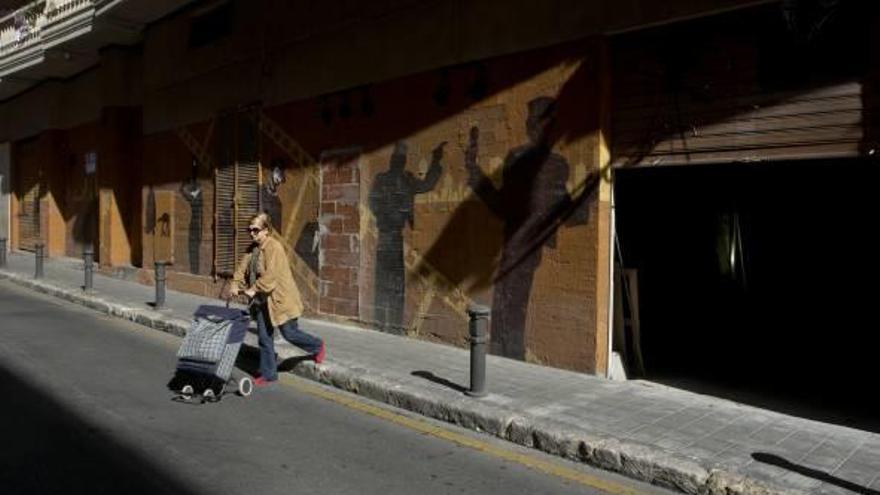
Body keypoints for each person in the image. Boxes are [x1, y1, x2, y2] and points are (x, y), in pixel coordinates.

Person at [230, 212, 325, 385]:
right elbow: (241, 268)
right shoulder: (252, 249)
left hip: (281, 299)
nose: (252, 233)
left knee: (290, 334)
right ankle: (268, 374)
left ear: (266, 230)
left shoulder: (275, 248)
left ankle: (317, 346)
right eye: (249, 229)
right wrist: (235, 284)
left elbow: (271, 276)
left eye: (256, 230)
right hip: (262, 301)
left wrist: (253, 289)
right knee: (264, 338)